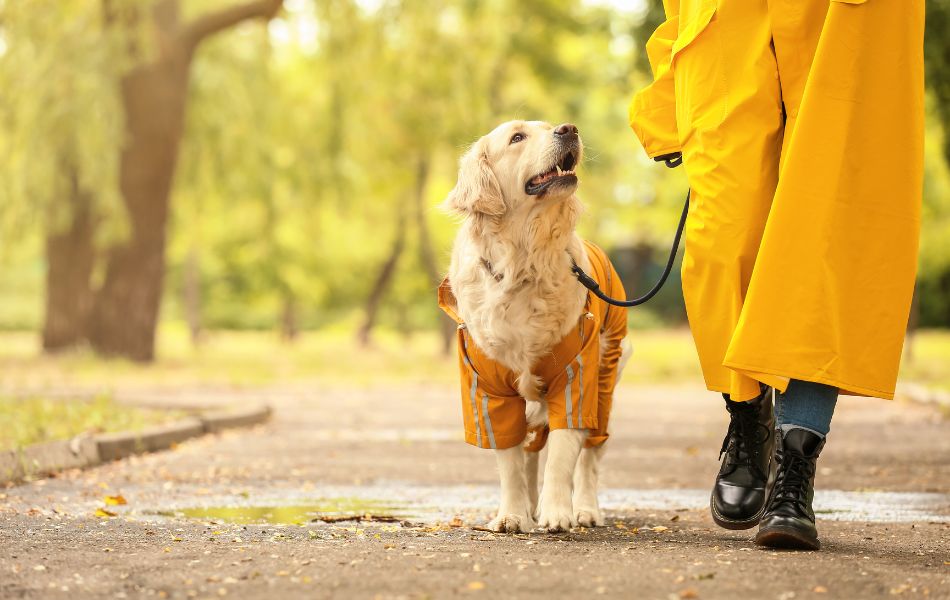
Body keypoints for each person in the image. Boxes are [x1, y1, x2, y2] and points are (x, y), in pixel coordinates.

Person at [629, 0, 924, 550]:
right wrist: (667, 97)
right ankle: (747, 415)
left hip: (842, 22)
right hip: (724, 32)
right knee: (722, 243)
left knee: (822, 248)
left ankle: (795, 466)